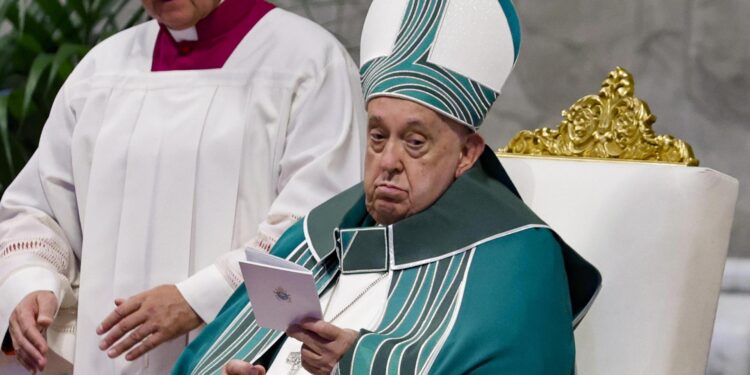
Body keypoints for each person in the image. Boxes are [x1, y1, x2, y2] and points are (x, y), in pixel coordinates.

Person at [172, 0, 602, 374]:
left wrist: (360, 362)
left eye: (415, 142)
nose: (389, 162)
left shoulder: (516, 258)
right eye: (378, 137)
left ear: (468, 153)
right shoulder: (314, 235)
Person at [0, 0, 366, 373]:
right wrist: (33, 282)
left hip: (241, 354)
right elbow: (38, 207)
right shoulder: (100, 70)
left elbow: (315, 225)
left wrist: (197, 299)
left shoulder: (310, 62)